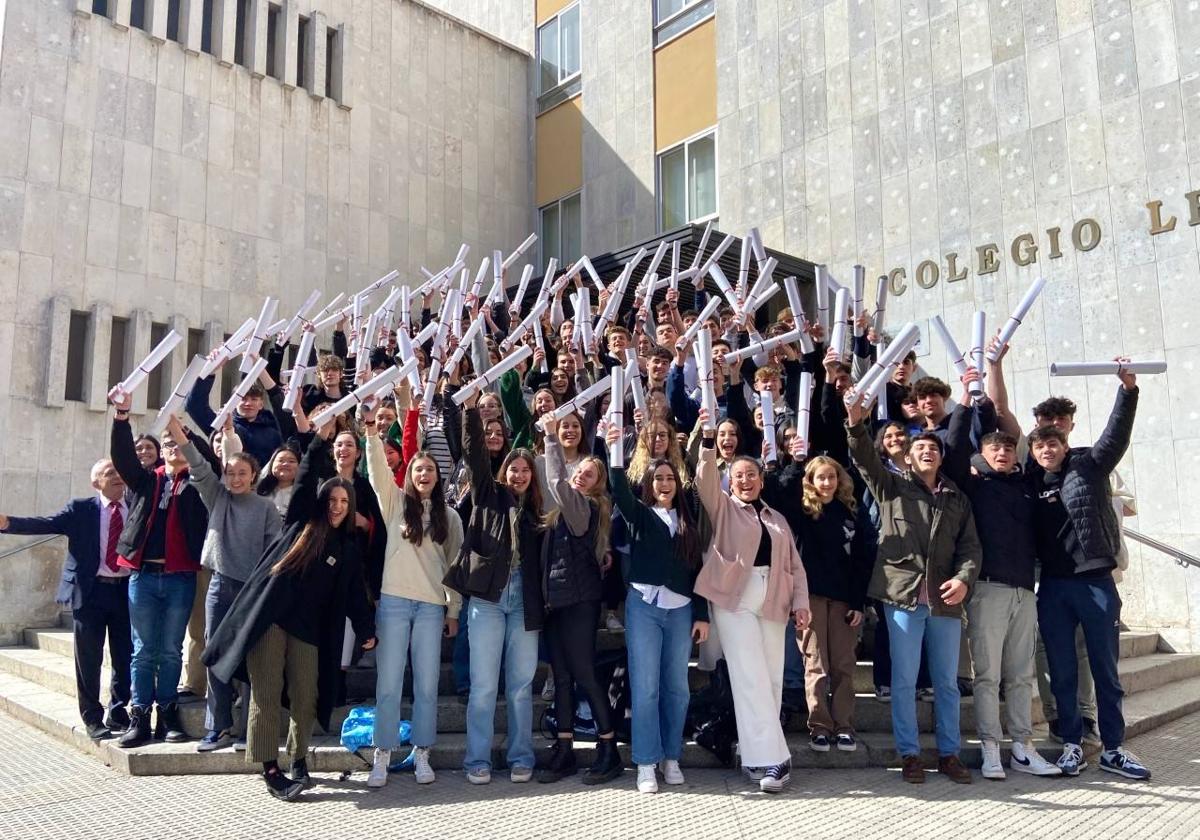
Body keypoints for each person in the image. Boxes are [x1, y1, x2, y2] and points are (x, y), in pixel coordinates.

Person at [201, 424, 377, 801]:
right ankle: (269, 767)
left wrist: (366, 628)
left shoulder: (346, 549)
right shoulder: (300, 522)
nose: (337, 506)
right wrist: (319, 440)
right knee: (265, 694)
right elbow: (306, 473)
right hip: (271, 623)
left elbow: (353, 597)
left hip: (310, 631)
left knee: (305, 696)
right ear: (321, 500)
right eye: (332, 500)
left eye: (344, 503)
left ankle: (298, 759)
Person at [845, 393, 980, 785]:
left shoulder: (956, 498)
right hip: (903, 597)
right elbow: (863, 459)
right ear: (908, 455)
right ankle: (910, 755)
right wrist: (855, 424)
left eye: (932, 449)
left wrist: (964, 578)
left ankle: (950, 753)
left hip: (945, 601)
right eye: (918, 448)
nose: (926, 453)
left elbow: (971, 547)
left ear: (940, 457)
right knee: (903, 682)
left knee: (946, 683)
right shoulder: (891, 487)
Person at [1029, 362, 1149, 780]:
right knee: (1062, 670)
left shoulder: (1090, 465)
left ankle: (1115, 748)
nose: (1047, 449)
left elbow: (1117, 434)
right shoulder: (1030, 480)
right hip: (1054, 588)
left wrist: (1128, 390)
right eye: (1040, 444)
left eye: (1054, 442)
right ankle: (1072, 746)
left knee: (1105, 670)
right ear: (1033, 450)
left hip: (1095, 582)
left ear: (1066, 441)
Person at [941, 398, 1062, 779]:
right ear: (983, 454)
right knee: (988, 675)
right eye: (995, 449)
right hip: (988, 589)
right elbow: (954, 450)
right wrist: (964, 404)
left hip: (1025, 590)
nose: (1003, 454)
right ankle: (991, 747)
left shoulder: (1027, 485)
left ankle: (1023, 748)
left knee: (1021, 675)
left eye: (1008, 449)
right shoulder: (973, 488)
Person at [694, 410, 810, 793]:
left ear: (762, 480)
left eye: (752, 475)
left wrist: (802, 603)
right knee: (750, 677)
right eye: (739, 476)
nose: (745, 481)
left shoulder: (776, 517)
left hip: (773, 597)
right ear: (731, 480)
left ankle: (757, 749)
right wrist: (709, 444)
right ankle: (771, 761)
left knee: (772, 678)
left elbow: (795, 563)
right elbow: (704, 481)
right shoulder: (724, 506)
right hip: (735, 599)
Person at [443, 390, 546, 785]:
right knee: (484, 686)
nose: (519, 474)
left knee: (520, 686)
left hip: (524, 601)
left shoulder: (538, 511)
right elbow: (474, 454)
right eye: (513, 469)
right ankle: (477, 760)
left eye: (525, 470)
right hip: (487, 598)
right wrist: (469, 409)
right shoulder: (488, 493)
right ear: (503, 473)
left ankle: (522, 757)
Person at [361, 402, 464, 788]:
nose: (423, 473)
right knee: (388, 682)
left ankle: (422, 753)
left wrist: (453, 610)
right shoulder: (394, 504)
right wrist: (371, 430)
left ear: (438, 476)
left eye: (430, 469)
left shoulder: (449, 517)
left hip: (431, 607)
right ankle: (382, 754)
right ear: (410, 475)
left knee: (426, 684)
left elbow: (454, 566)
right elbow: (376, 471)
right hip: (394, 602)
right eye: (418, 469)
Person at [171, 415, 281, 753]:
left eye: (242, 473)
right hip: (219, 586)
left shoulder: (266, 508)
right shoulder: (216, 497)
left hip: (251, 592)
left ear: (254, 476)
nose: (235, 479)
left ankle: (251, 728)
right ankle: (217, 728)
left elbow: (274, 552)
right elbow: (196, 460)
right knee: (214, 653)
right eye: (230, 473)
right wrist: (175, 423)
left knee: (251, 659)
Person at [0, 460, 133, 740]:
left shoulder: (135, 506)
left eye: (119, 472)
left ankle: (119, 712)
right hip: (90, 592)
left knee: (124, 655)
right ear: (96, 482)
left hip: (126, 591)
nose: (118, 477)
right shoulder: (81, 509)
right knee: (89, 659)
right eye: (110, 473)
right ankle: (93, 719)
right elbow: (46, 523)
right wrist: (7, 523)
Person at [608, 427, 707, 794]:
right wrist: (613, 445)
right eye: (658, 478)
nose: (665, 483)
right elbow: (618, 489)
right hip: (644, 607)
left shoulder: (687, 522)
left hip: (680, 610)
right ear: (649, 484)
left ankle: (671, 755)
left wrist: (702, 614)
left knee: (677, 688)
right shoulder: (640, 515)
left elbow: (697, 570)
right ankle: (646, 762)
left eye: (670, 478)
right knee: (646, 686)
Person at [108, 391, 207, 748]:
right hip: (144, 577)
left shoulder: (198, 482)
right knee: (142, 649)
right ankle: (139, 717)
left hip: (180, 577)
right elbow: (122, 458)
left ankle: (168, 714)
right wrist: (122, 416)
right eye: (166, 444)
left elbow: (206, 457)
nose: (171, 447)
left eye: (176, 443)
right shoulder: (149, 480)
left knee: (170, 650)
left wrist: (183, 432)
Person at [535, 419, 624, 784]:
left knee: (585, 673)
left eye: (588, 475)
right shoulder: (561, 512)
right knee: (563, 675)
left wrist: (551, 437)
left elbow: (556, 482)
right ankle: (565, 748)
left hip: (579, 603)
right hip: (556, 602)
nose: (580, 478)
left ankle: (609, 748)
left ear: (597, 484)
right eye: (579, 473)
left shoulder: (584, 507)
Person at [770, 454, 873, 753]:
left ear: (839, 480)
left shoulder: (852, 512)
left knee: (843, 664)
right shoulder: (801, 512)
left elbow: (862, 559)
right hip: (811, 597)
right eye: (820, 477)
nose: (827, 483)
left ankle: (844, 726)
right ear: (811, 482)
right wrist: (796, 461)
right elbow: (781, 491)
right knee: (816, 663)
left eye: (832, 476)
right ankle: (820, 725)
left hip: (844, 599)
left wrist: (858, 602)